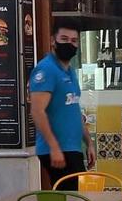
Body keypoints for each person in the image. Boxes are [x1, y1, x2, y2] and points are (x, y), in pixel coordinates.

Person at [30, 23, 93, 190]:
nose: (69, 44)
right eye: (64, 39)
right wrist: (54, 147)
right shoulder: (46, 70)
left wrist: (89, 142)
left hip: (72, 148)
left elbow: (73, 110)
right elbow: (37, 111)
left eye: (74, 40)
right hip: (57, 150)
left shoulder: (69, 71)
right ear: (53, 41)